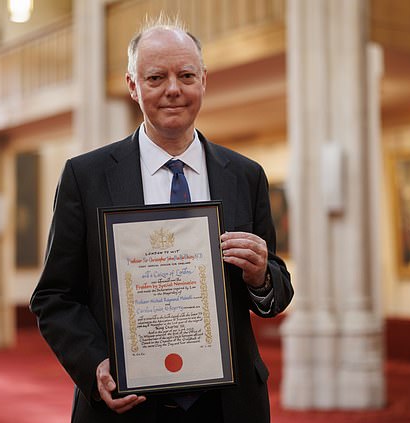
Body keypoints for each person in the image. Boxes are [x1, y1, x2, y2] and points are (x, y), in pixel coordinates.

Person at [30, 16, 293, 423]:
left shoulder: (245, 175)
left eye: (186, 75)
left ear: (204, 80)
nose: (174, 89)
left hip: (227, 405)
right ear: (133, 86)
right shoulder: (86, 177)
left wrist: (261, 276)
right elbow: (54, 296)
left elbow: (276, 292)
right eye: (156, 77)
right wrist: (94, 364)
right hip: (125, 403)